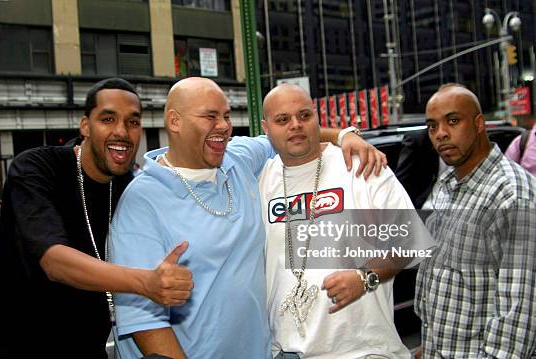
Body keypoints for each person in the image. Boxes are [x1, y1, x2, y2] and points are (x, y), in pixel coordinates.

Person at [110, 77, 386, 358]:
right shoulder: (141, 202)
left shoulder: (236, 158)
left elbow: (290, 131)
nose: (223, 126)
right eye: (210, 116)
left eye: (227, 116)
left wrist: (344, 135)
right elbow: (146, 324)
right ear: (174, 121)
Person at [0, 78, 193, 358]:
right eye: (107, 119)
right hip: (14, 345)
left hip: (86, 345)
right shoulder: (36, 168)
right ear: (85, 126)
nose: (122, 132)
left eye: (133, 122)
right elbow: (53, 261)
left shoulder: (130, 185)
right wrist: (145, 282)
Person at [259, 84, 414, 358]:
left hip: (362, 350)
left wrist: (364, 277)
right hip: (285, 351)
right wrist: (343, 134)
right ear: (266, 128)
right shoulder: (261, 179)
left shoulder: (360, 166)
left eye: (304, 116)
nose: (295, 125)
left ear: (316, 118)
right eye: (283, 119)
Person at [415, 84, 536, 358]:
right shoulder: (447, 185)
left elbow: (517, 318)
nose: (441, 133)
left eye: (453, 121)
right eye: (432, 126)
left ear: (479, 123)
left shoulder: (513, 195)